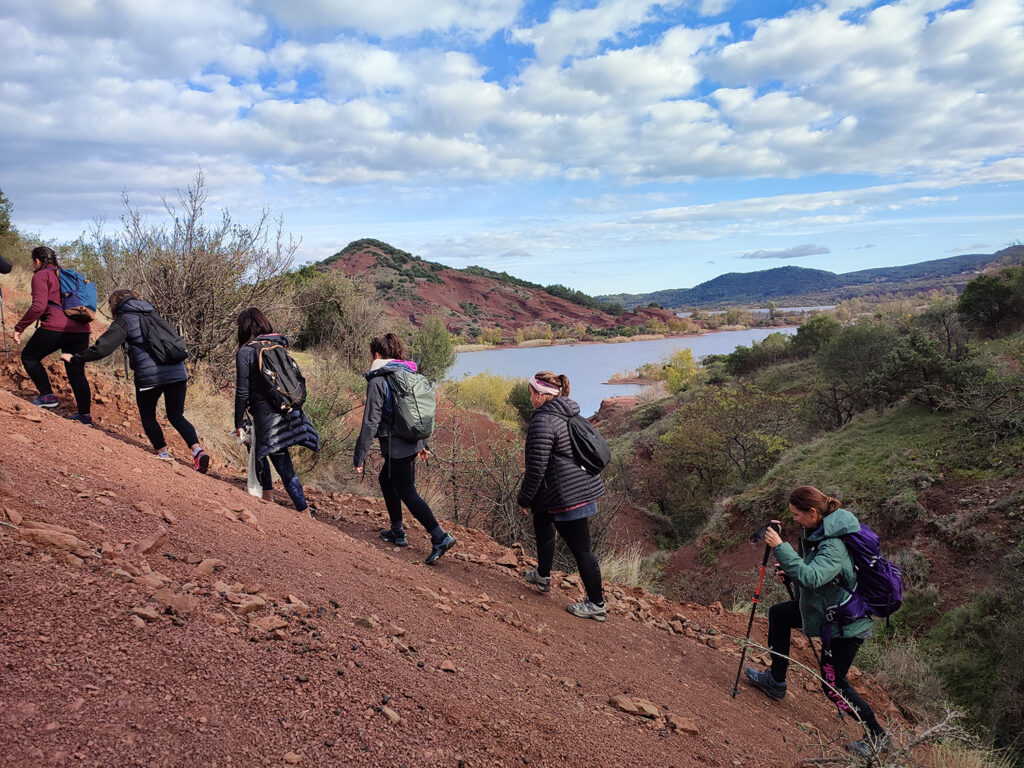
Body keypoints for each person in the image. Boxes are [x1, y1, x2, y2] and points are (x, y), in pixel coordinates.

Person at [745, 486, 889, 759]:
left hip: (845, 624)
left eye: (797, 514)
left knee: (834, 685)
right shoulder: (819, 533)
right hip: (824, 610)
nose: (795, 519)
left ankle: (878, 736)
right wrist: (791, 572)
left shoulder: (833, 543)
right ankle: (776, 681)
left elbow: (812, 577)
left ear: (813, 512)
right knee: (779, 614)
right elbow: (817, 577)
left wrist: (780, 548)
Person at [62, 289, 210, 471]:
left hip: (150, 377)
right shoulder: (155, 316)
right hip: (178, 374)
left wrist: (76, 358)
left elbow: (103, 348)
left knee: (148, 415)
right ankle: (198, 451)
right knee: (176, 415)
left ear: (116, 305)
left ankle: (163, 453)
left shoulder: (125, 320)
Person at [353, 333, 456, 565]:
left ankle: (439, 536)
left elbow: (370, 421)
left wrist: (360, 455)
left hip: (396, 445)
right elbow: (420, 411)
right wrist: (423, 443)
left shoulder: (379, 380)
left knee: (407, 491)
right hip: (411, 441)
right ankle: (397, 531)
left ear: (377, 355)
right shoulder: (408, 373)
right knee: (386, 480)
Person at [517, 371, 607, 622]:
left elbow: (536, 468)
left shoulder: (542, 422)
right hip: (576, 487)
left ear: (541, 394)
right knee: (542, 520)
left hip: (569, 495)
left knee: (582, 550)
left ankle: (596, 604)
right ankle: (543, 576)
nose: (530, 397)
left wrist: (524, 497)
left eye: (532, 392)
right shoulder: (570, 413)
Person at [233, 307, 319, 516]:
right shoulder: (277, 345)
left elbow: (242, 391)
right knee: (269, 453)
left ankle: (302, 510)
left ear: (244, 328)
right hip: (288, 411)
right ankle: (270, 499)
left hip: (265, 416)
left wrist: (237, 422)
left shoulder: (245, 352)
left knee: (274, 458)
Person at [12, 246, 92, 422]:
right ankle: (85, 417)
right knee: (76, 372)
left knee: (29, 357)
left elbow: (38, 307)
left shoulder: (41, 275)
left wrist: (20, 327)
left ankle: (47, 396)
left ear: (38, 261)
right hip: (81, 329)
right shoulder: (69, 275)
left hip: (55, 327)